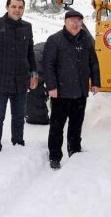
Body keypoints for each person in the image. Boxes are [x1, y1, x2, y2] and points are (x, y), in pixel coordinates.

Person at [43, 10, 100, 170]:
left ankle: (74, 149)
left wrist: (95, 82)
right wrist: (52, 86)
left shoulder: (86, 40)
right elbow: (48, 65)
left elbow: (93, 62)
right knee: (57, 126)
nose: (75, 24)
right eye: (72, 21)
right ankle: (54, 156)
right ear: (65, 22)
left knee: (76, 124)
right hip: (60, 92)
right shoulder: (55, 40)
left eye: (78, 21)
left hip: (80, 92)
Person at [0, 0, 38, 152]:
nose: (17, 10)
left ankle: (18, 143)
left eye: (20, 7)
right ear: (7, 7)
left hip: (21, 79)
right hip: (0, 80)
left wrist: (34, 73)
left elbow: (30, 52)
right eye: (14, 6)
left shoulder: (27, 27)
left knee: (19, 116)